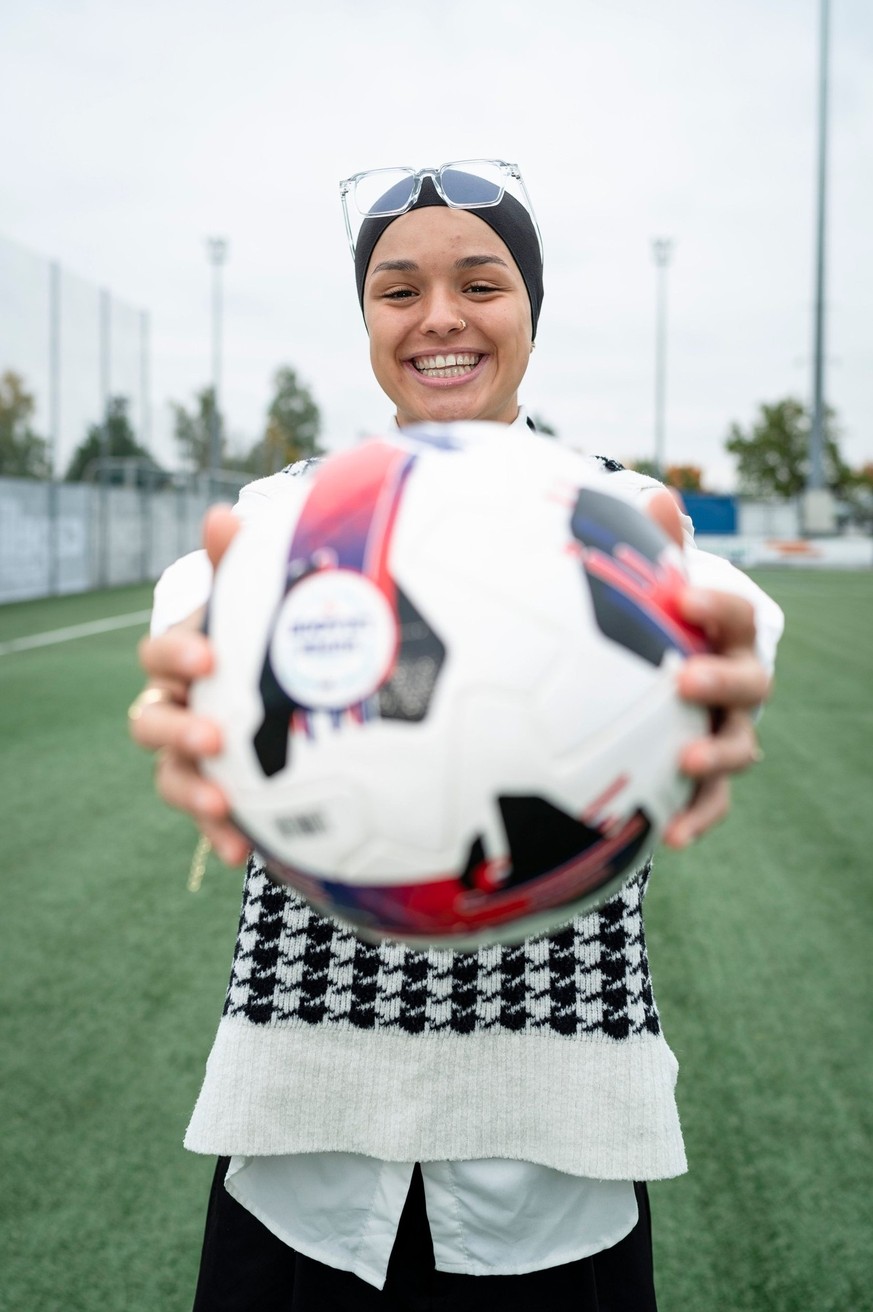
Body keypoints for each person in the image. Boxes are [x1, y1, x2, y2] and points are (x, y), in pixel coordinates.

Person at [129, 161, 783, 1312]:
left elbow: (729, 619)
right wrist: (188, 678)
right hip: (300, 1161)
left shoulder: (619, 520)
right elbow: (197, 601)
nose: (439, 317)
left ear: (530, 307)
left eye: (481, 282)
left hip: (558, 1170)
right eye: (398, 291)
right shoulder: (292, 517)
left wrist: (725, 672)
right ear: (368, 320)